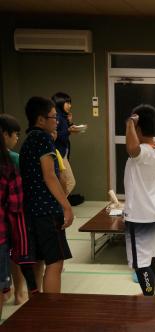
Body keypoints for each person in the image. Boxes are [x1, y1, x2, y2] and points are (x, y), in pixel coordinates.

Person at [20, 96, 74, 293]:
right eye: (53, 117)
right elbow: (50, 176)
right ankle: (52, 310)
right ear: (41, 120)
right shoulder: (43, 139)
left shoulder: (27, 142)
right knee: (55, 263)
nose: (57, 121)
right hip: (47, 211)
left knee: (39, 260)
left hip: (31, 211)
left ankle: (37, 309)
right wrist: (66, 206)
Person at [123, 104, 155, 296]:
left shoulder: (142, 153)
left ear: (138, 128)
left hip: (138, 216)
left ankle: (149, 296)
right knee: (152, 256)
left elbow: (132, 148)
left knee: (140, 264)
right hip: (153, 212)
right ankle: (152, 293)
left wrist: (129, 124)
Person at [0, 119, 38, 314]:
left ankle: (16, 292)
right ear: (5, 135)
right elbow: (15, 204)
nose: (17, 138)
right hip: (7, 228)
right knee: (18, 255)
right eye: (15, 134)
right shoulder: (11, 161)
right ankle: (19, 293)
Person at [51, 92, 78, 196]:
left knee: (65, 182)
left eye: (70, 103)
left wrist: (70, 123)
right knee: (70, 182)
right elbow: (56, 136)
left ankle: (61, 207)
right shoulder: (56, 117)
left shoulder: (63, 116)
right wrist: (69, 130)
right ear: (59, 102)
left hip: (63, 153)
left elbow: (65, 132)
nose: (70, 105)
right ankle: (61, 206)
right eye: (67, 102)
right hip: (58, 153)